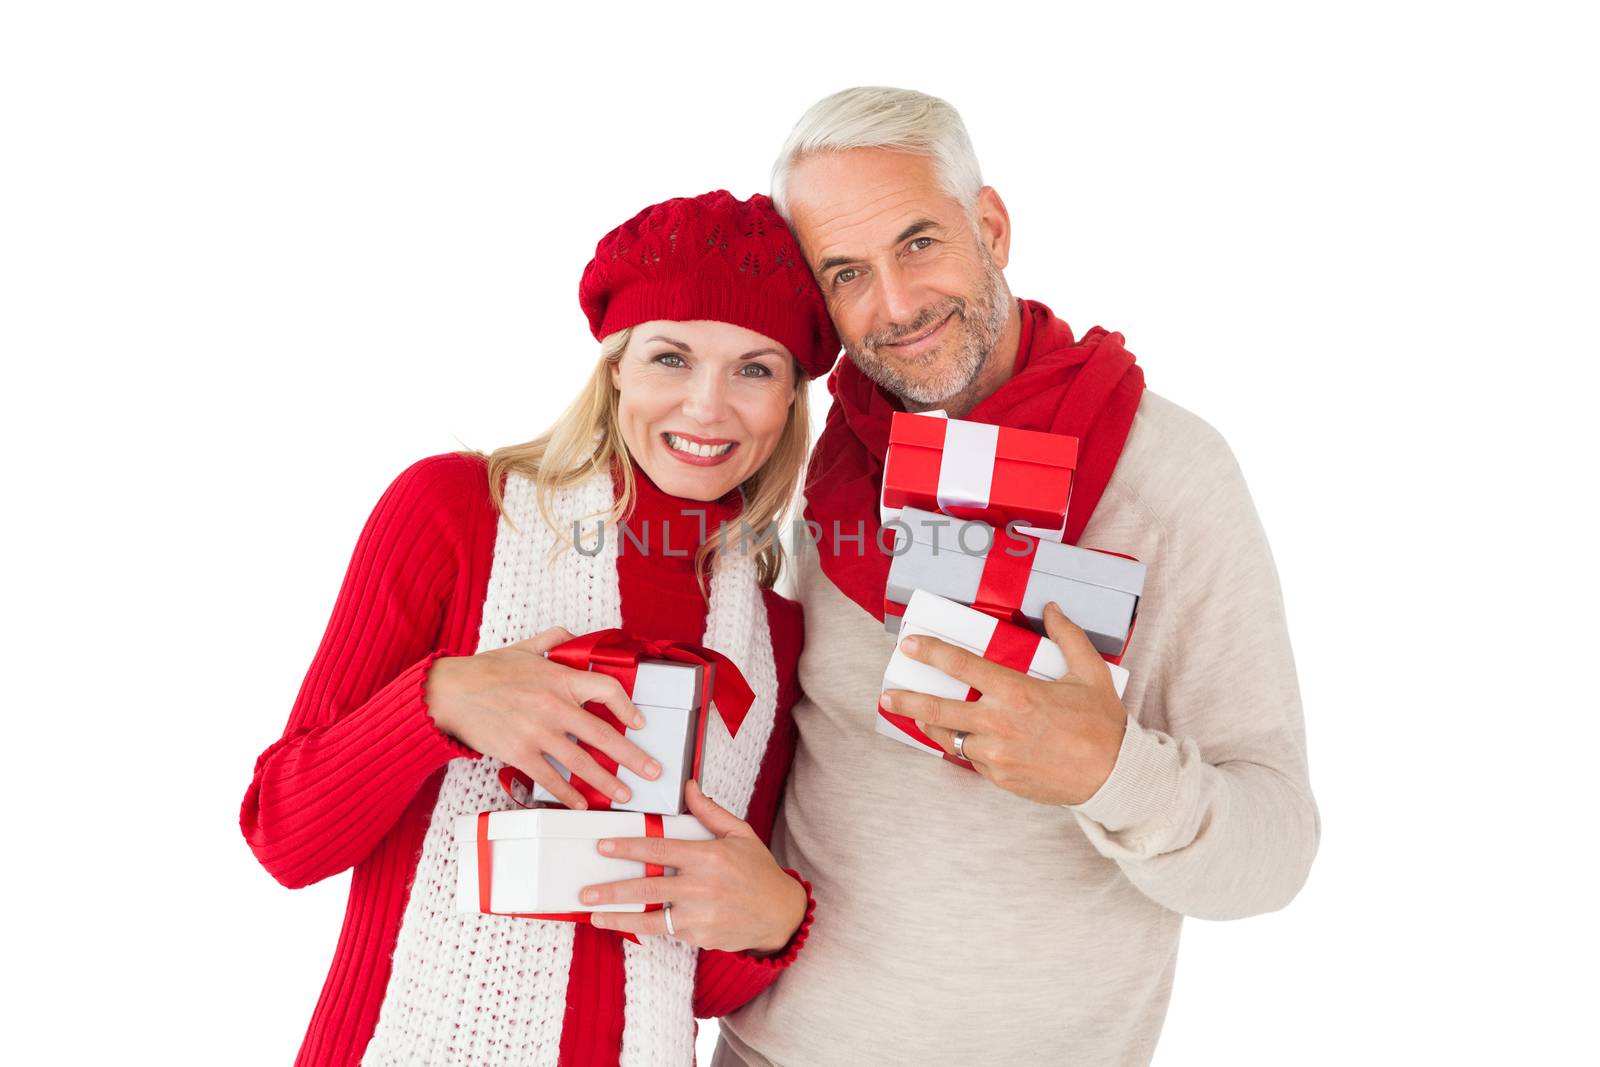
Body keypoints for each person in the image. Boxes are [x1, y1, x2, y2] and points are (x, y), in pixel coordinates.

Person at [716, 88, 1322, 1066]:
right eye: (847, 272)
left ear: (988, 224)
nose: (897, 306)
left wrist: (1110, 769)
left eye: (919, 243)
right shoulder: (816, 468)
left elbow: (1274, 850)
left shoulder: (1164, 476)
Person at [240, 190, 840, 1066]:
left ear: (790, 396)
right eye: (672, 356)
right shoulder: (455, 515)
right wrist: (441, 699)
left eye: (754, 368)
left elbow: (692, 977)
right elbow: (284, 835)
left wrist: (775, 918)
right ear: (616, 367)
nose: (708, 408)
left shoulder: (773, 634)